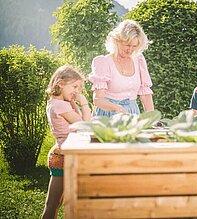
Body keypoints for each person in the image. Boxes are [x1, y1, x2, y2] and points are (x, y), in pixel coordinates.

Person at [42, 65, 91, 219]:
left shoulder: (63, 103)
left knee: (56, 203)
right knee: (53, 205)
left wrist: (74, 101)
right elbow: (84, 125)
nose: (77, 91)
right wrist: (83, 102)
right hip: (62, 157)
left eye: (79, 88)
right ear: (60, 84)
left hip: (65, 154)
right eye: (74, 86)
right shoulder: (59, 105)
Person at [89, 19, 154, 117]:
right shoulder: (103, 62)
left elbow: (145, 94)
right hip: (108, 114)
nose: (130, 50)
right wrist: (118, 109)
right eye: (127, 45)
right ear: (117, 40)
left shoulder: (139, 59)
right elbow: (98, 100)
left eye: (134, 46)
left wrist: (152, 118)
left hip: (132, 113)